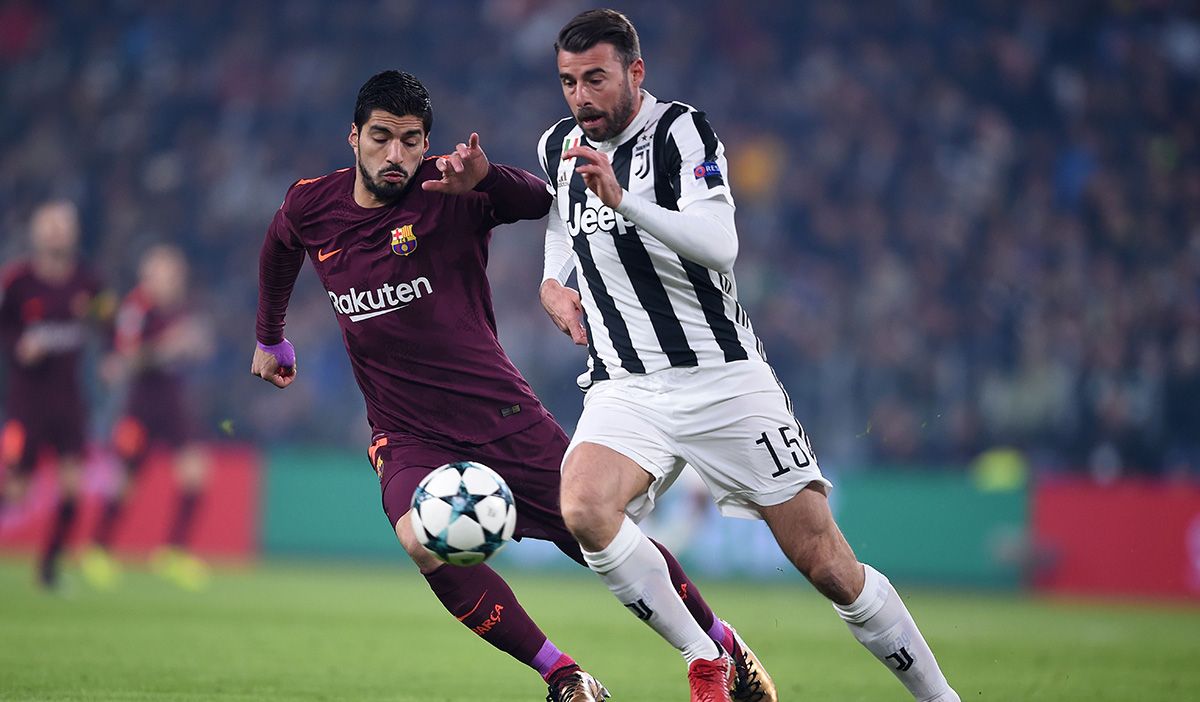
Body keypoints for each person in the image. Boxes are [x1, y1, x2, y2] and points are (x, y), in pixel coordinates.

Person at [250, 70, 764, 702]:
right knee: (421, 537)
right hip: (407, 432)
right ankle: (563, 675)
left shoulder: (451, 187)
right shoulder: (313, 205)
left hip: (501, 415)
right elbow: (280, 242)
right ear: (353, 137)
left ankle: (725, 646)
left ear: (425, 142)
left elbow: (546, 199)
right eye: (381, 138)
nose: (396, 155)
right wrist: (271, 336)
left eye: (410, 140)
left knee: (599, 535)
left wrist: (486, 178)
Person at [537, 9, 960, 702]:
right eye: (568, 82)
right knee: (584, 508)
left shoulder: (682, 133)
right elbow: (563, 216)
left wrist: (626, 201)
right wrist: (554, 281)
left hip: (722, 378)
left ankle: (942, 699)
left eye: (596, 79)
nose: (581, 97)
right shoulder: (559, 144)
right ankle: (709, 656)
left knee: (827, 564)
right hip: (625, 384)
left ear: (634, 73)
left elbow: (719, 243)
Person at [81, 244, 215, 591]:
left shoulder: (181, 309)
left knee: (195, 473)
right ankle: (97, 550)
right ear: (149, 276)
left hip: (173, 400)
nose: (168, 281)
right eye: (162, 273)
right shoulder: (135, 308)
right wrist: (166, 347)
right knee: (125, 479)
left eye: (173, 274)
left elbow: (197, 347)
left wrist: (196, 346)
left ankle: (173, 552)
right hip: (141, 403)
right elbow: (124, 361)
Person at [0, 200, 106, 589]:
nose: (56, 233)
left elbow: (110, 320)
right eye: (49, 226)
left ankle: (49, 568)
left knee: (72, 487)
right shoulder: (16, 282)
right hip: (27, 403)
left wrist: (111, 354)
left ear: (74, 233)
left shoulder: (89, 282)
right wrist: (18, 347)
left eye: (63, 226)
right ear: (36, 233)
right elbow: (5, 328)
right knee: (16, 489)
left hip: (69, 402)